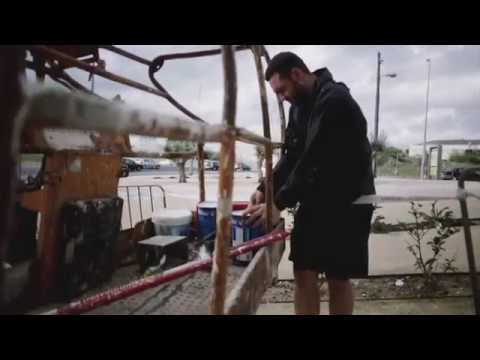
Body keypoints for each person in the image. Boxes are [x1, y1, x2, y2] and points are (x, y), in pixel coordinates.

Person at [244, 52, 375, 315]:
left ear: (297, 74)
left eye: (282, 90)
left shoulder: (336, 101)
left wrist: (278, 203)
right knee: (303, 272)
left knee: (338, 277)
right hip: (317, 199)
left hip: (350, 201)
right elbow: (292, 155)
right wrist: (264, 188)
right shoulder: (298, 109)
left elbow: (316, 158)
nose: (281, 98)